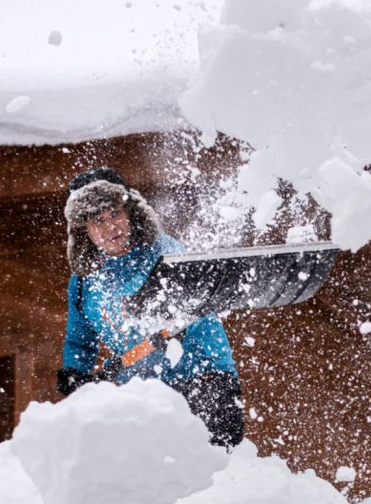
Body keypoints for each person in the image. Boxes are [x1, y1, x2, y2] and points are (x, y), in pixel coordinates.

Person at [56, 167, 245, 448]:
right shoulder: (84, 283)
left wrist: (215, 382)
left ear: (130, 212)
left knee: (210, 477)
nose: (111, 227)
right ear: (83, 229)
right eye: (98, 220)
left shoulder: (166, 254)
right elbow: (80, 340)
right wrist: (76, 374)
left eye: (115, 214)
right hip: (142, 397)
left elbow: (199, 315)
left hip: (200, 380)